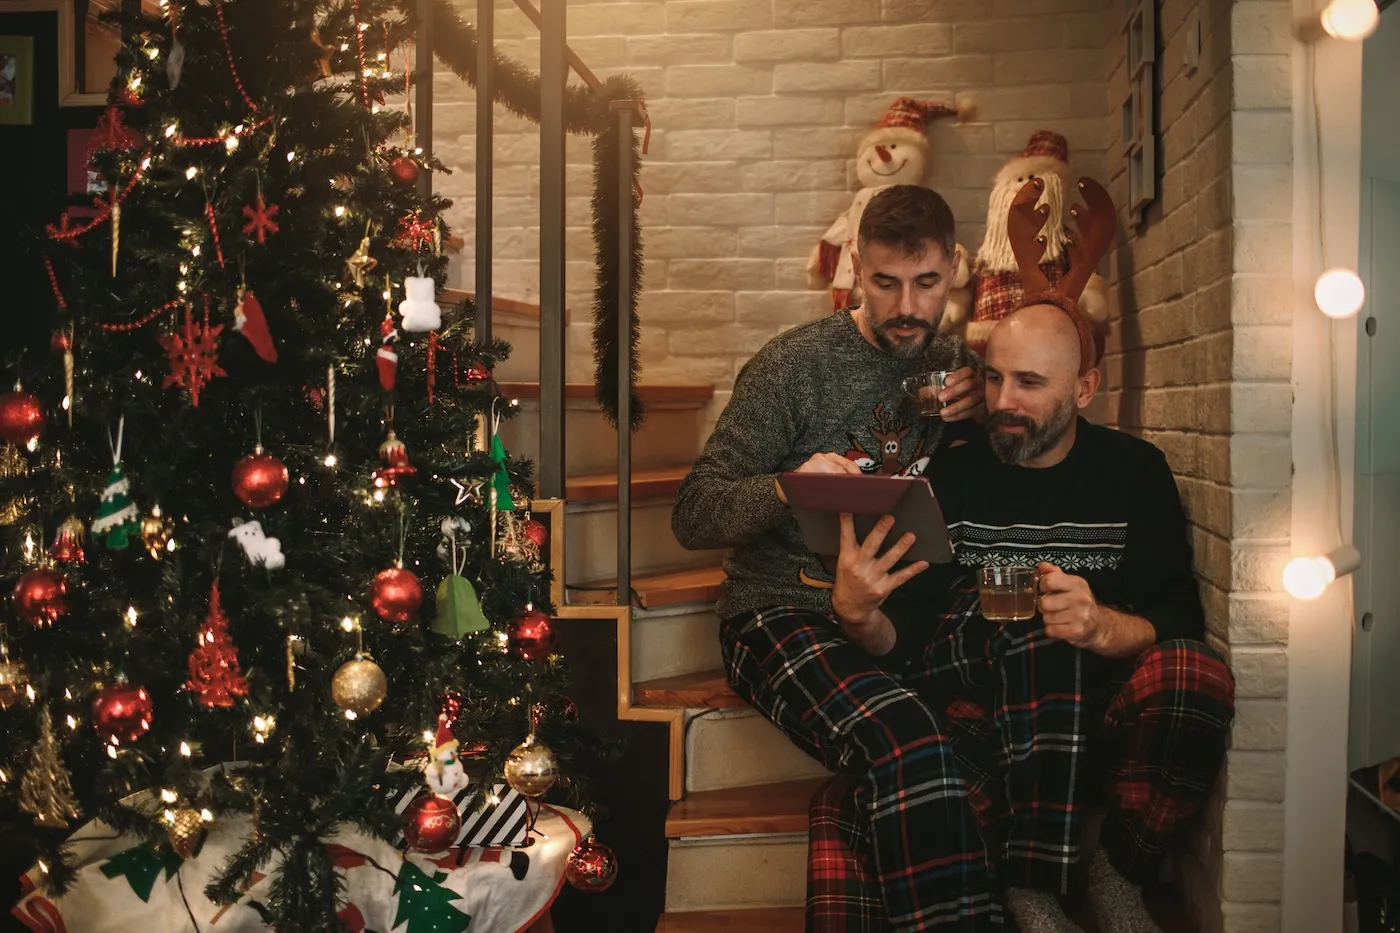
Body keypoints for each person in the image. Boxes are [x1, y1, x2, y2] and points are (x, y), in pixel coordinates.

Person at [820, 177, 1236, 933]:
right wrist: (858, 617)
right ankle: (1029, 884)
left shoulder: (1133, 471)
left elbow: (1177, 615)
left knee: (1193, 677)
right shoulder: (955, 469)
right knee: (861, 803)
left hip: (1102, 716)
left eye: (1030, 383)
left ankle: (1115, 870)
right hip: (993, 718)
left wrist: (1103, 626)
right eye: (993, 375)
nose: (1002, 399)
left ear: (1085, 387)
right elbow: (907, 631)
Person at [671, 184, 999, 932]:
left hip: (901, 618)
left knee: (981, 740)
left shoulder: (960, 366)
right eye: (885, 283)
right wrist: (791, 486)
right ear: (855, 267)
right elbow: (695, 511)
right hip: (785, 611)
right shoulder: (795, 365)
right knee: (910, 742)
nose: (906, 305)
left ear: (954, 267)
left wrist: (982, 412)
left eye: (925, 283)